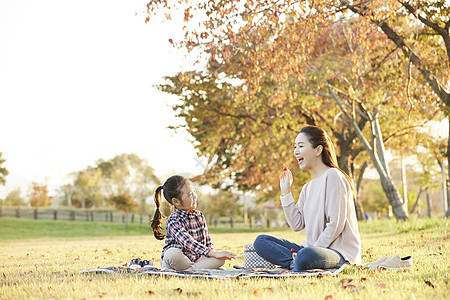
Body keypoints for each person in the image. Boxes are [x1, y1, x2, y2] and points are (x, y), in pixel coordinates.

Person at [253, 125, 361, 271]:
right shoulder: (307, 188)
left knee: (306, 255)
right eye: (295, 147)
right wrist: (286, 192)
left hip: (338, 253)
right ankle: (294, 263)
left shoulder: (334, 176)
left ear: (318, 150)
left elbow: (336, 225)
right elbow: (297, 224)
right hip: (310, 250)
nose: (296, 152)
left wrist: (311, 250)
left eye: (301, 146)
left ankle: (298, 262)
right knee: (261, 241)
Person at [151, 175, 236, 271]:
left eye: (193, 192)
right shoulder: (173, 220)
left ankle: (189, 270)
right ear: (176, 201)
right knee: (172, 254)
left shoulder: (199, 215)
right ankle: (194, 269)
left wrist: (213, 254)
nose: (195, 196)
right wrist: (214, 254)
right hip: (179, 260)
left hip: (197, 260)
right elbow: (188, 242)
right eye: (190, 195)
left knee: (220, 260)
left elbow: (207, 242)